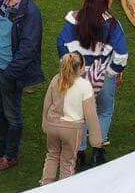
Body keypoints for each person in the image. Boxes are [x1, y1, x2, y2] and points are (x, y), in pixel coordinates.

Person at [57, 0, 127, 157]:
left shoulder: (73, 20)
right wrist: (110, 72)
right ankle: (97, 150)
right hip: (103, 78)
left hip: (78, 79)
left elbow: (62, 45)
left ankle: (79, 153)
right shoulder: (111, 25)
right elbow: (121, 55)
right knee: (103, 111)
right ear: (104, 2)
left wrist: (73, 71)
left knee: (79, 114)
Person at [0, 0, 44, 172]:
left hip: (9, 73)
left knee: (12, 116)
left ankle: (10, 155)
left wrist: (10, 73)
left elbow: (28, 49)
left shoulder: (31, 13)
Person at [39, 53, 103, 184]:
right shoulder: (85, 86)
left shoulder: (56, 79)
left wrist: (45, 122)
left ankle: (45, 186)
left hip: (52, 125)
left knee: (52, 155)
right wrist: (96, 140)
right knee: (67, 162)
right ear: (79, 69)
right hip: (72, 130)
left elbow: (47, 103)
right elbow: (91, 115)